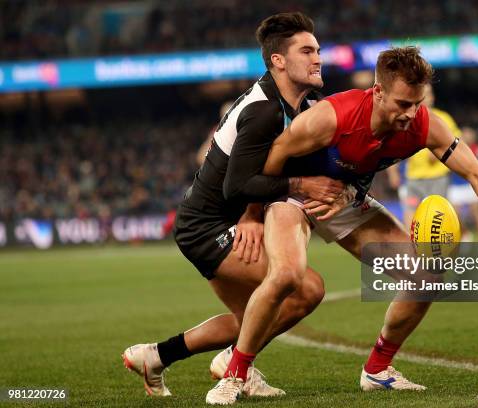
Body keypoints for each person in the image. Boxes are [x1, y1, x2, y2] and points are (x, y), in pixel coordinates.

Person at [206, 46, 478, 405]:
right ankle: (235, 372)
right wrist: (252, 215)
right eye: (402, 104)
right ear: (378, 91)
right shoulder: (332, 116)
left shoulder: (424, 124)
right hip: (295, 191)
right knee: (288, 275)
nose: (410, 114)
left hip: (346, 200)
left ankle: (378, 370)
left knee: (425, 277)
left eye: (416, 103)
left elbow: (475, 171)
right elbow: (275, 156)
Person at [122, 12, 343, 399]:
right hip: (208, 228)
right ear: (278, 60)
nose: (317, 58)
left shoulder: (296, 104)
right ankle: (236, 362)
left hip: (210, 222)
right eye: (307, 50)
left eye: (318, 50)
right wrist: (295, 187)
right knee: (305, 289)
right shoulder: (264, 111)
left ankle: (156, 356)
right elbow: (238, 185)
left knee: (251, 317)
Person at [386, 83, 459, 229]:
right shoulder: (407, 118)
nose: (426, 98)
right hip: (414, 178)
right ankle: (412, 247)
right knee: (410, 211)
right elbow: (394, 146)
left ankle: (439, 248)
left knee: (438, 216)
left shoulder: (444, 118)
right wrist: (392, 172)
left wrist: (441, 153)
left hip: (437, 177)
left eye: (429, 94)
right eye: (422, 95)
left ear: (433, 97)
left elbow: (457, 145)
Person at [448, 126, 478, 241]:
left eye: (470, 134)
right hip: (455, 185)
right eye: (465, 133)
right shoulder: (454, 148)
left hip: (471, 185)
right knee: (454, 215)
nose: (468, 136)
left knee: (477, 214)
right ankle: (465, 233)